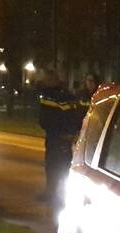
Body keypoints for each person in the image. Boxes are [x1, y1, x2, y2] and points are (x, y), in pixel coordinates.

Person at [37, 70, 82, 203]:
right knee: (56, 165)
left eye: (47, 79)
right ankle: (53, 192)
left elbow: (62, 117)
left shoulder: (55, 96)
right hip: (58, 136)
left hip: (57, 136)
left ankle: (56, 194)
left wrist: (65, 132)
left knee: (56, 165)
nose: (44, 81)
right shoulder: (61, 95)